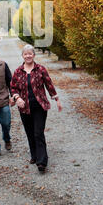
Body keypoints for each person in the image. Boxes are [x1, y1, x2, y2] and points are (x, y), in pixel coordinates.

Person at [10, 44, 62, 173]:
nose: (28, 56)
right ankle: (34, 155)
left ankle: (42, 162)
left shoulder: (41, 69)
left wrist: (56, 99)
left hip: (39, 106)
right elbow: (13, 88)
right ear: (22, 56)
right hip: (24, 107)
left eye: (30, 53)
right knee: (30, 133)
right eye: (25, 54)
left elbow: (49, 84)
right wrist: (17, 98)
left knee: (38, 133)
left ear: (34, 55)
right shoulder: (18, 71)